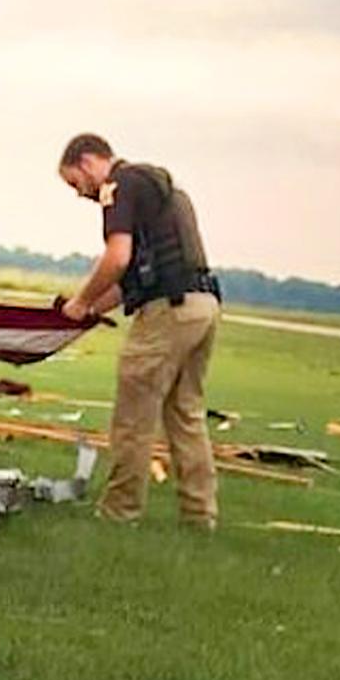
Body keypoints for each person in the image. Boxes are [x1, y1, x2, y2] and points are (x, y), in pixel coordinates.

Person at [56, 133, 222, 528]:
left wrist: (80, 300)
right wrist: (89, 309)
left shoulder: (119, 186)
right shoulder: (160, 188)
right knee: (186, 415)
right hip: (203, 305)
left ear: (89, 163)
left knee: (133, 417)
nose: (80, 194)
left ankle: (119, 513)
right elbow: (131, 279)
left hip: (168, 311)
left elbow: (117, 258)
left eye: (75, 183)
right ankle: (200, 517)